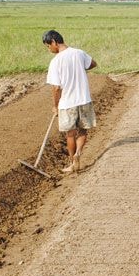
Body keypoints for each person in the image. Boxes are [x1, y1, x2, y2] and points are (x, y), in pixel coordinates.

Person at [43, 30, 97, 173]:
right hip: (84, 99)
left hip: (67, 103)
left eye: (48, 46)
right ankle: (78, 153)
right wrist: (81, 68)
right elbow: (92, 64)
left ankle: (73, 162)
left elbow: (56, 88)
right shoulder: (79, 53)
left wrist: (55, 106)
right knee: (83, 130)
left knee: (70, 134)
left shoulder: (55, 62)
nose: (49, 50)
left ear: (54, 42)